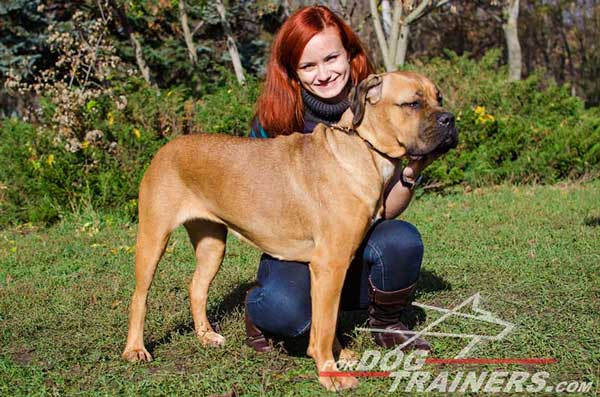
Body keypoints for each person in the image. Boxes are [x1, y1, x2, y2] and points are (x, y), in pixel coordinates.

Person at [245, 5, 432, 353]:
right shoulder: (275, 119)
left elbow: (380, 210)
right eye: (308, 65)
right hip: (293, 246)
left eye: (331, 58)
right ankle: (260, 308)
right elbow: (253, 198)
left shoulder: (381, 100)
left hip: (354, 236)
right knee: (287, 312)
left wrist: (409, 174)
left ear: (349, 54)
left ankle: (386, 321)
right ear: (292, 71)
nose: (323, 73)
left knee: (401, 240)